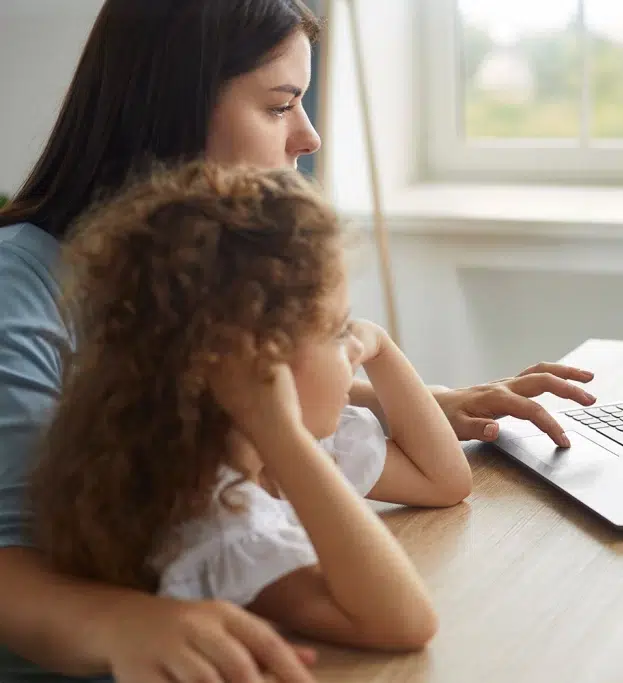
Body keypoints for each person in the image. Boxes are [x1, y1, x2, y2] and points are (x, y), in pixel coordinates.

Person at [0, 1, 595, 681]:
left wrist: (412, 398)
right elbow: (9, 549)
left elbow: (207, 388)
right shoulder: (18, 285)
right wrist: (117, 621)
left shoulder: (205, 289)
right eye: (280, 105)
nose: (308, 136)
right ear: (174, 106)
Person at [35, 160, 462, 659]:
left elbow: (444, 481)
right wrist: (280, 430)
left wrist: (383, 347)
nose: (355, 349)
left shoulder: (303, 447)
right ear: (258, 364)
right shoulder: (214, 521)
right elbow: (408, 623)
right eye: (338, 330)